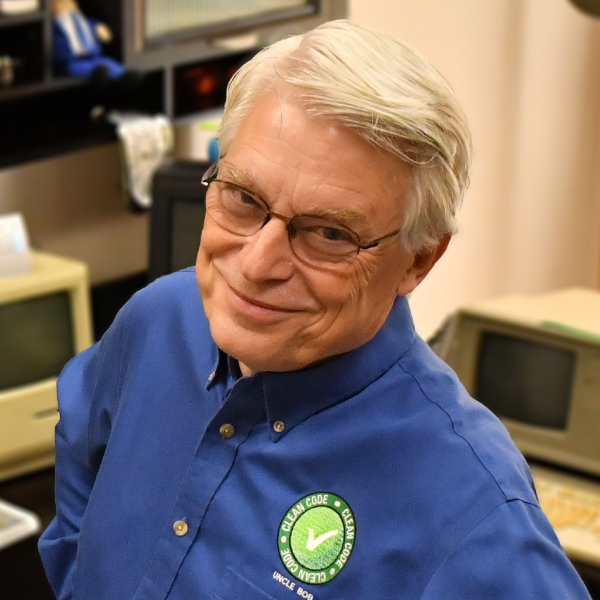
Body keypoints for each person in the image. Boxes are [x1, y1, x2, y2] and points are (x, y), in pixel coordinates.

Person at [39, 19, 592, 600]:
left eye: (329, 233)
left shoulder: (475, 513)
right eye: (244, 198)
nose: (257, 265)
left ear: (418, 260)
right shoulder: (161, 320)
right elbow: (79, 452)